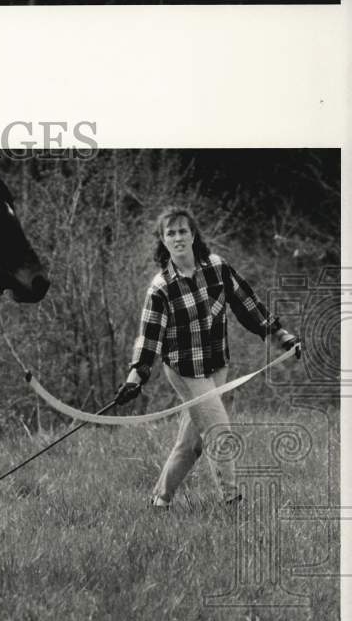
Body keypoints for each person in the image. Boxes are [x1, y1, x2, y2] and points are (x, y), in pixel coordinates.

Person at [114, 207, 301, 509]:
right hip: (186, 370)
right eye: (170, 233)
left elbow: (248, 305)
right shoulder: (161, 287)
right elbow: (149, 338)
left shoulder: (217, 267)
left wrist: (282, 336)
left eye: (182, 231)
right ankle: (233, 501)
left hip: (216, 363)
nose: (177, 238)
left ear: (193, 234)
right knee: (218, 429)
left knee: (191, 444)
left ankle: (159, 501)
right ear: (162, 241)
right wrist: (136, 376)